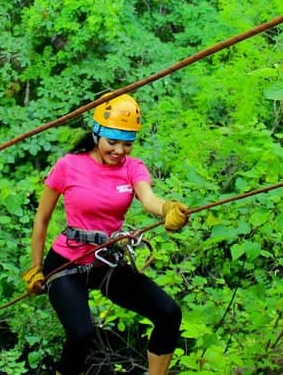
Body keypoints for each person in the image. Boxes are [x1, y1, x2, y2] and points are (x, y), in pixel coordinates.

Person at [22, 93, 189, 375]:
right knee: (81, 334)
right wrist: (36, 267)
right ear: (96, 134)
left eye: (127, 144)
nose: (120, 151)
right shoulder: (69, 166)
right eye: (112, 142)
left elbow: (148, 199)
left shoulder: (132, 168)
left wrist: (168, 208)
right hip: (66, 261)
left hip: (105, 261)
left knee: (168, 313)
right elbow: (42, 219)